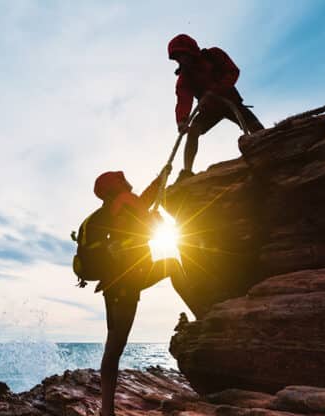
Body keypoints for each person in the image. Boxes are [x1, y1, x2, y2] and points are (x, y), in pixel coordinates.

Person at [92, 168, 202, 416]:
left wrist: (161, 178)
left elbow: (142, 204)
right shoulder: (124, 201)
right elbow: (146, 213)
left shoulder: (115, 207)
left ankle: (105, 410)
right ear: (115, 186)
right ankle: (201, 310)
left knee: (114, 347)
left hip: (121, 280)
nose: (125, 177)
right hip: (126, 282)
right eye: (120, 177)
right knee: (115, 347)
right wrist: (156, 210)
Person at [169, 34, 265, 182]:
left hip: (230, 102)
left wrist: (216, 89)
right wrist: (182, 120)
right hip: (209, 110)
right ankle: (187, 171)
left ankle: (267, 146)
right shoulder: (185, 77)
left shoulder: (214, 55)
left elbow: (232, 71)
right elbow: (183, 98)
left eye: (182, 55)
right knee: (193, 130)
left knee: (255, 127)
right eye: (177, 57)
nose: (180, 60)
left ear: (190, 51)